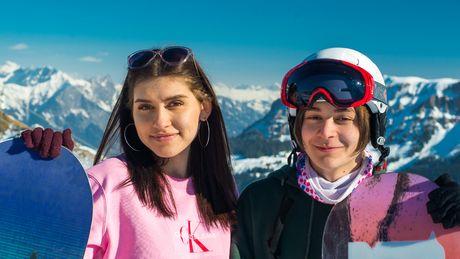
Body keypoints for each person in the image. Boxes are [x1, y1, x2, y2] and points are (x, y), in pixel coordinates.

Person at [233, 47, 460, 258]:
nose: (326, 131)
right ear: (297, 126)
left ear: (372, 126)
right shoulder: (260, 203)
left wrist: (448, 229)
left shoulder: (401, 204)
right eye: (314, 117)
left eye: (343, 118)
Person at [24, 46, 237, 258]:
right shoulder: (104, 185)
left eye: (175, 103)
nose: (160, 121)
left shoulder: (219, 189)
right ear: (132, 114)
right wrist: (43, 191)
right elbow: (40, 249)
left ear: (204, 107)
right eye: (145, 107)